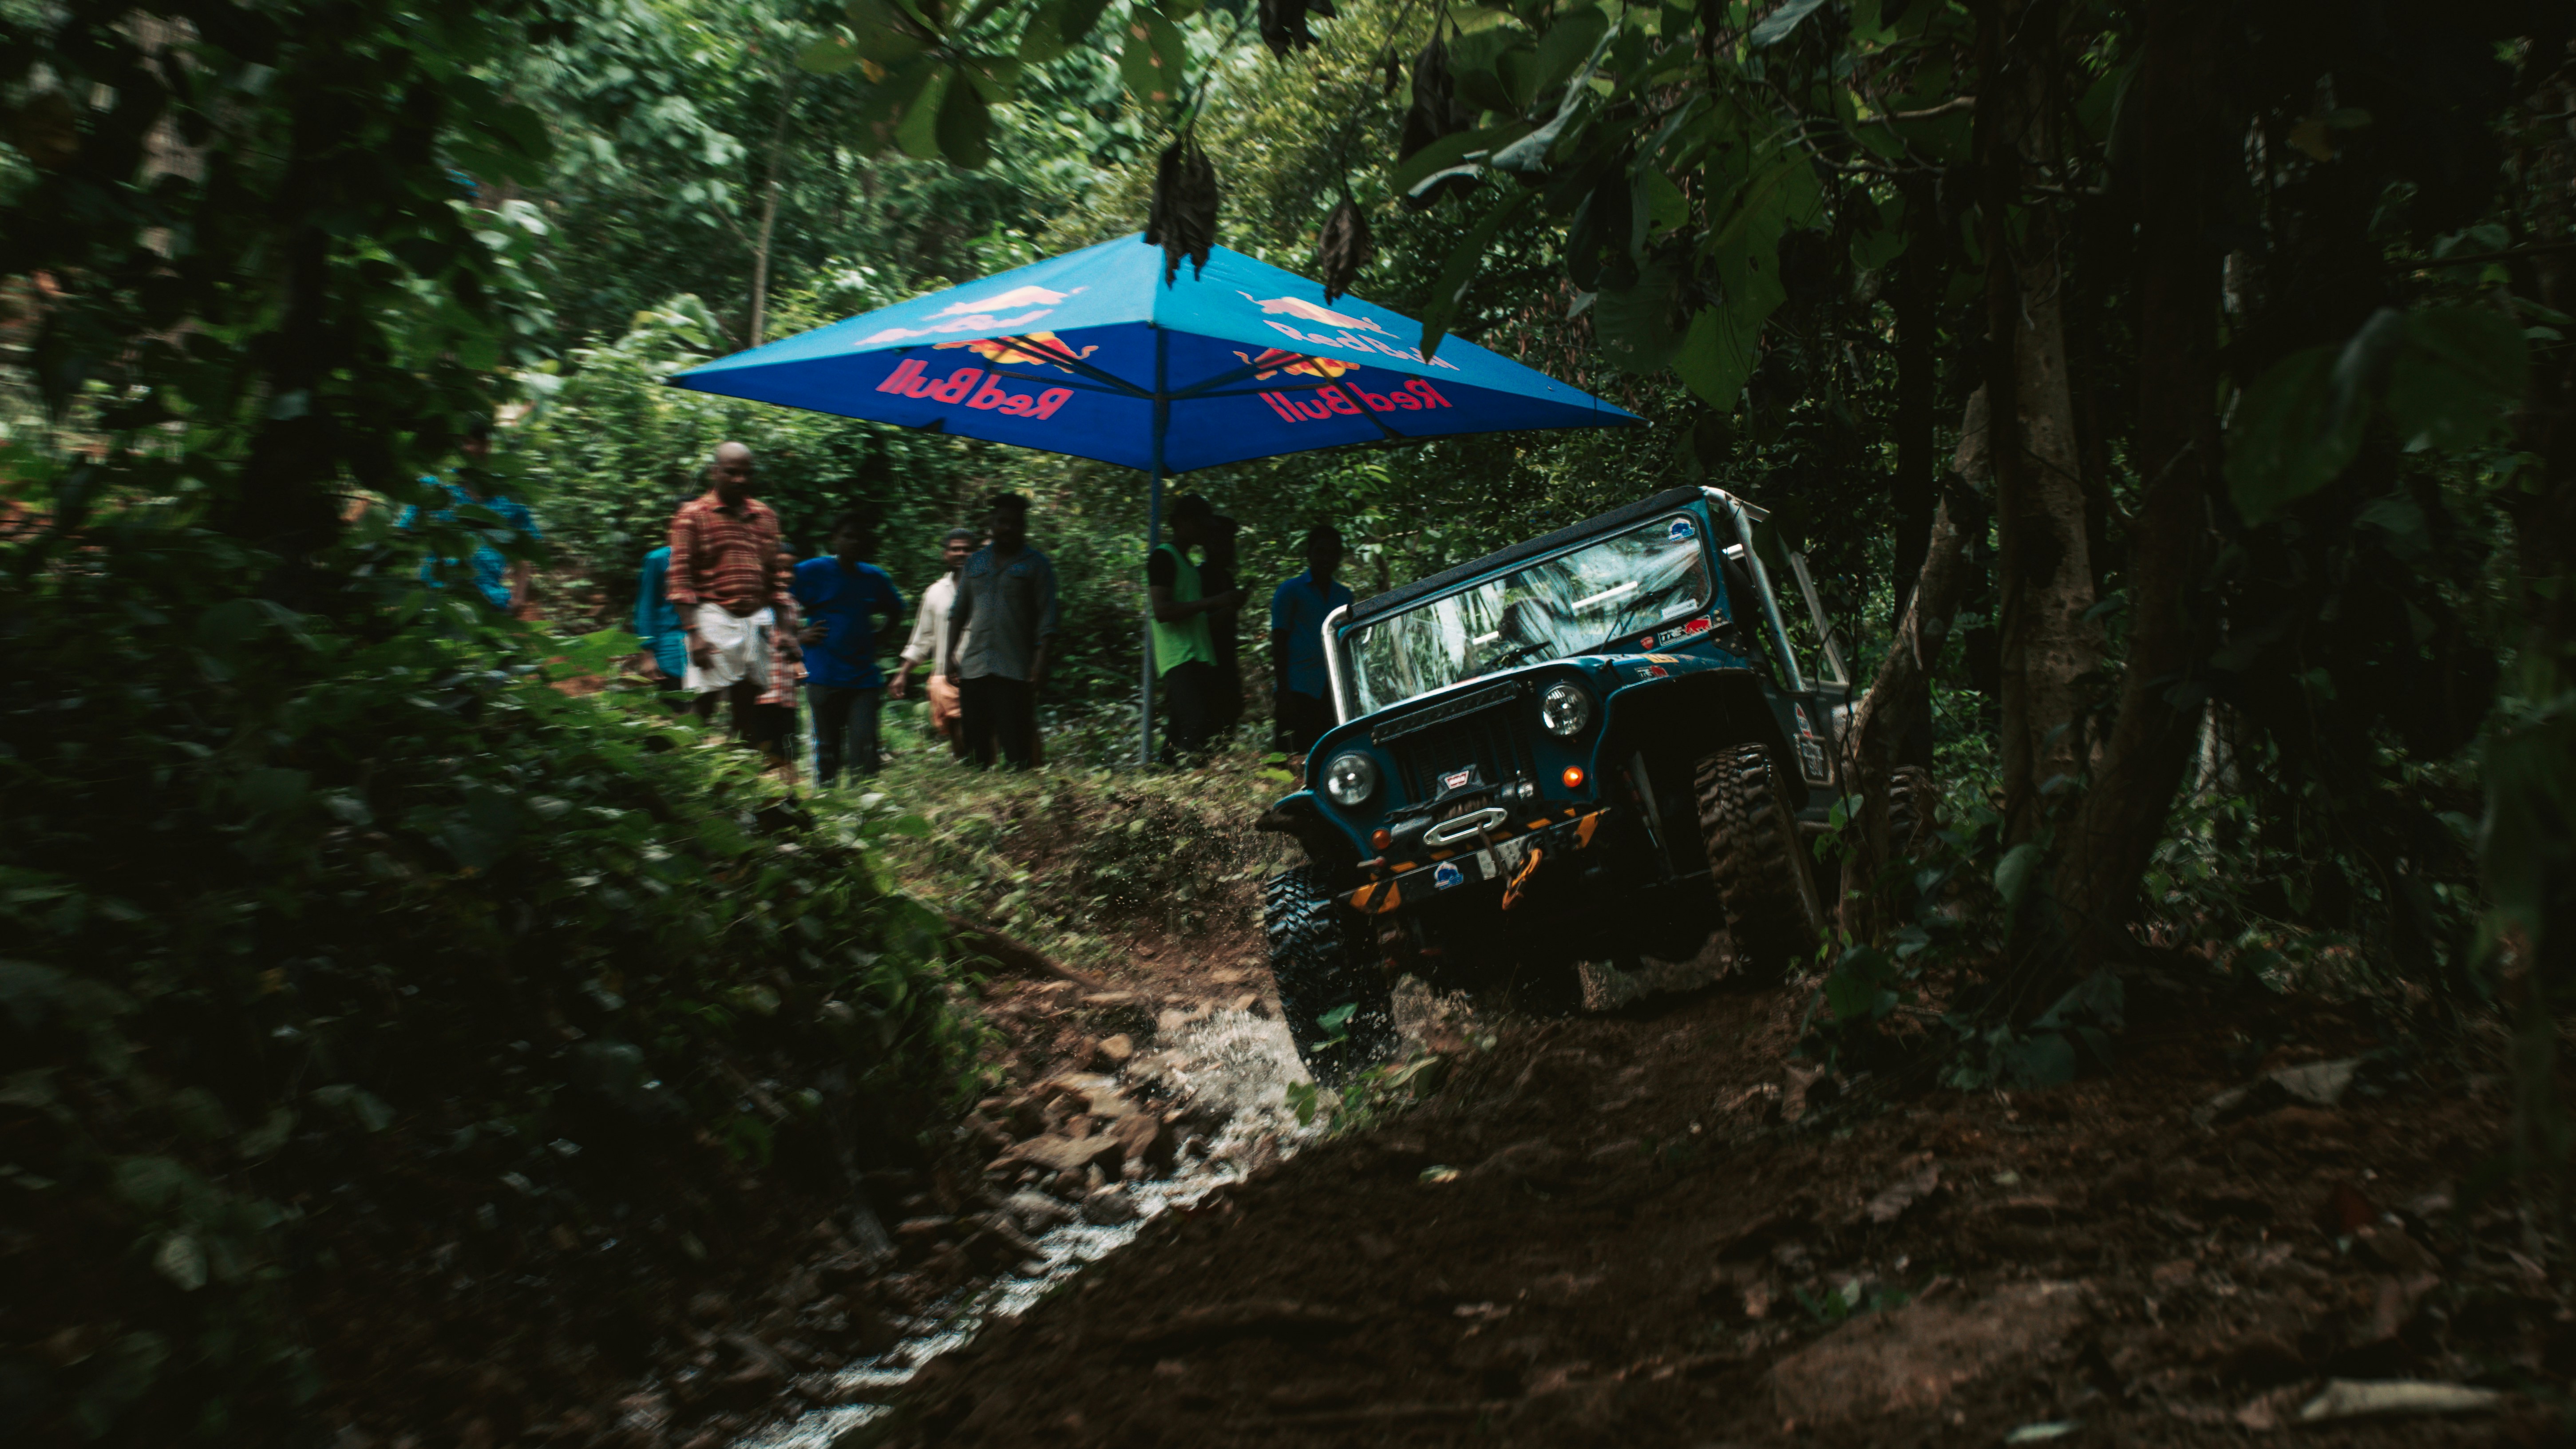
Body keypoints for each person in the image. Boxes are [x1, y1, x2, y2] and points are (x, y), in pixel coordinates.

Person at [666, 441, 790, 737]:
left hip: (756, 617)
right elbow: (680, 579)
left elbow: (775, 578)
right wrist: (694, 634)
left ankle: (738, 774)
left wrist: (786, 630)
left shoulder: (766, 516)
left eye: (746, 474)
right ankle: (686, 768)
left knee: (747, 703)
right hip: (713, 615)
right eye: (731, 473)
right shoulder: (692, 515)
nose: (740, 480)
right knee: (704, 700)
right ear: (715, 472)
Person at [943, 493, 1059, 770]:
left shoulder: (1037, 565)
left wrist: (1040, 663)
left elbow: (1049, 618)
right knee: (976, 750)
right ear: (992, 523)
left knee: (1018, 750)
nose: (1008, 528)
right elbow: (958, 613)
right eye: (1002, 522)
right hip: (975, 669)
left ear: (1024, 525)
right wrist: (949, 656)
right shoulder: (975, 563)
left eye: (1015, 523)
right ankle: (978, 807)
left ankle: (1020, 805)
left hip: (1015, 670)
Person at [795, 513, 908, 785]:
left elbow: (896, 609)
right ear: (834, 539)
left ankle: (864, 809)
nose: (854, 542)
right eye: (847, 536)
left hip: (863, 678)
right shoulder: (812, 571)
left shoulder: (874, 578)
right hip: (824, 674)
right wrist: (799, 634)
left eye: (859, 537)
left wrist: (881, 636)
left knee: (865, 745)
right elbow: (774, 604)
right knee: (827, 748)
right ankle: (827, 806)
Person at [400, 421, 538, 614]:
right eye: (460, 443)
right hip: (434, 598)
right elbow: (403, 535)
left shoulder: (510, 498)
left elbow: (525, 550)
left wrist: (519, 598)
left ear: (486, 445)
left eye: (469, 442)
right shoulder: (434, 489)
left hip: (488, 600)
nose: (463, 449)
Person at [1146, 493, 1242, 764]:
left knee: (1181, 728)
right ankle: (1185, 784)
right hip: (1179, 657)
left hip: (1197, 656)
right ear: (1182, 523)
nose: (1204, 531)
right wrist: (1214, 601)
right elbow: (1162, 611)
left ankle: (1162, 779)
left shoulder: (1187, 566)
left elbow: (1197, 619)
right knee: (1196, 722)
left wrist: (1224, 608)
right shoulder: (1164, 557)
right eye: (1199, 524)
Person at [1269, 524, 1355, 767]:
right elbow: (1278, 641)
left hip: (1330, 688)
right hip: (1297, 687)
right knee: (1289, 755)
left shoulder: (1344, 596)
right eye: (1320, 551)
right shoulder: (1290, 590)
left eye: (1332, 553)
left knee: (1324, 756)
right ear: (1309, 554)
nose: (1326, 558)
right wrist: (1283, 691)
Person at [891, 527, 977, 760]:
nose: (961, 554)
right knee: (956, 729)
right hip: (946, 674)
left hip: (983, 672)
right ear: (945, 554)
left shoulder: (989, 590)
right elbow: (923, 638)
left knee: (985, 729)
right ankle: (967, 770)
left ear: (977, 554)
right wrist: (903, 674)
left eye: (967, 550)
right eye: (955, 549)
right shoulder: (935, 593)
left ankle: (988, 773)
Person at [632, 495, 697, 696]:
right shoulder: (659, 560)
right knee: (676, 713)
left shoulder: (714, 559)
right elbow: (646, 607)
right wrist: (647, 655)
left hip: (707, 646)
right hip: (670, 648)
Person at [1201, 514, 1246, 747]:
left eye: (1230, 542)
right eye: (1222, 542)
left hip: (1226, 667)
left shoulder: (1226, 578)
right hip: (1206, 672)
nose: (1229, 549)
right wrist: (1227, 609)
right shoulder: (1200, 576)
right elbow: (1199, 626)